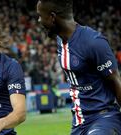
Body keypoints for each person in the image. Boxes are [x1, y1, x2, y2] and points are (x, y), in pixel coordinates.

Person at [36, 0, 121, 135]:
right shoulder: (60, 41)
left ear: (52, 17)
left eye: (40, 16)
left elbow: (117, 82)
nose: (39, 20)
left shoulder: (93, 42)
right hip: (79, 123)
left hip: (104, 117)